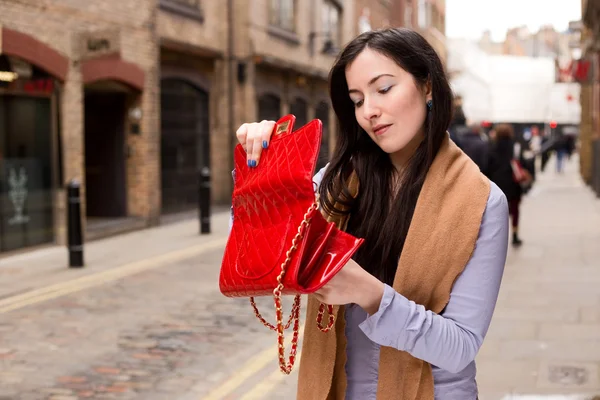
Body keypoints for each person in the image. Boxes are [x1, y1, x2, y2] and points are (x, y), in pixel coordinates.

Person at [233, 28, 508, 400]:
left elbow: (460, 347)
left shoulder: (482, 202)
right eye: (357, 100)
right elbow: (265, 256)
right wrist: (264, 171)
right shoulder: (334, 183)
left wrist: (371, 295)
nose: (369, 111)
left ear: (427, 87)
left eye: (383, 89)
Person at [486, 123, 527, 247]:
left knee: (497, 210)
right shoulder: (515, 147)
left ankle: (497, 236)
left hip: (497, 183)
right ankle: (514, 235)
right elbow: (523, 163)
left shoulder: (492, 147)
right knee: (514, 209)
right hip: (513, 182)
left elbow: (487, 166)